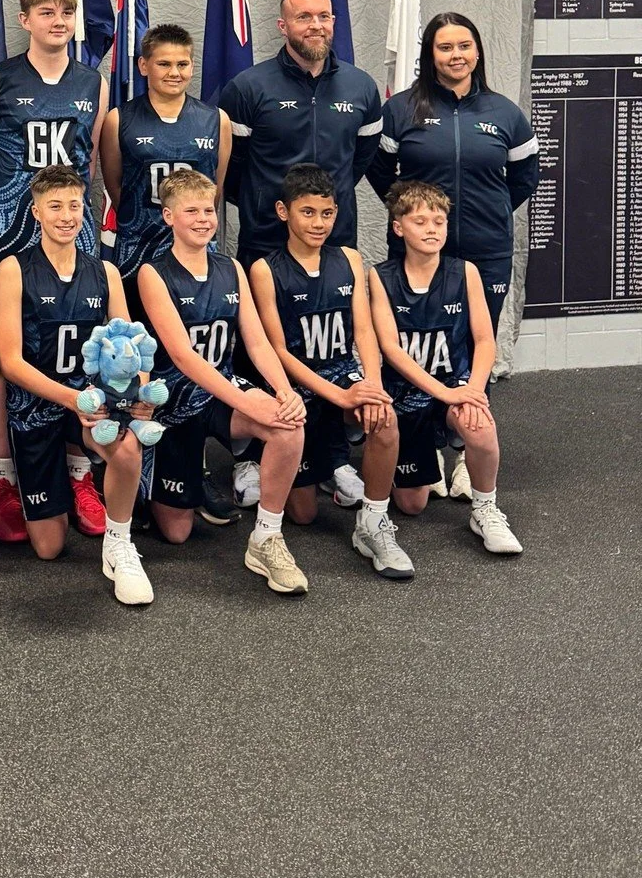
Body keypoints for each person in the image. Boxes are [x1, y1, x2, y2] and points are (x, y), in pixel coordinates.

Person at [368, 11, 539, 498]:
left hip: (485, 251)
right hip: (418, 254)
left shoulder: (504, 113)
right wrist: (416, 216)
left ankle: (464, 448)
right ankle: (422, 444)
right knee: (417, 341)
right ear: (430, 54)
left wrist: (489, 212)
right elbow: (381, 172)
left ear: (477, 51)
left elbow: (524, 178)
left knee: (472, 349)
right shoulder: (402, 110)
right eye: (445, 48)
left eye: (464, 46)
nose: (456, 55)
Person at [0, 0, 109, 544]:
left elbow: (93, 162)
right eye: (46, 12)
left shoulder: (91, 82)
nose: (58, 21)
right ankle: (3, 476)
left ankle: (78, 472)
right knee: (7, 357)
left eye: (66, 13)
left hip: (72, 231)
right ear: (25, 20)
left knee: (78, 345)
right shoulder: (0, 78)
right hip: (10, 235)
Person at [136, 170, 311, 595]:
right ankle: (154, 481)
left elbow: (257, 341)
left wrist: (282, 391)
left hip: (222, 388)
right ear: (168, 217)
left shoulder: (231, 267)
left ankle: (267, 538)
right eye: (190, 211)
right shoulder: (152, 273)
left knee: (288, 427)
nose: (202, 219)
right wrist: (245, 401)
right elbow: (181, 355)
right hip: (175, 396)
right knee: (176, 532)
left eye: (208, 210)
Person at [0, 168, 153, 606]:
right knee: (48, 547)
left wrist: (138, 391)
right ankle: (69, 473)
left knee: (126, 446)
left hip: (92, 401)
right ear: (37, 211)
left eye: (74, 205)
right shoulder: (13, 268)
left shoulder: (104, 271)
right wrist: (72, 398)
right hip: (39, 403)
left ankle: (119, 545)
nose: (67, 215)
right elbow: (10, 361)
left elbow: (132, 345)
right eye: (55, 205)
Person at [248, 165, 413, 579]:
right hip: (298, 383)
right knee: (303, 514)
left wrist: (370, 386)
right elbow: (278, 351)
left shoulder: (351, 259)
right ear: (284, 212)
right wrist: (341, 397)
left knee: (385, 419)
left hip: (343, 373)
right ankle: (324, 473)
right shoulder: (265, 270)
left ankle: (373, 523)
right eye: (307, 212)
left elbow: (364, 332)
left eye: (326, 213)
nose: (318, 223)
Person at [369, 181, 523, 555]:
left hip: (454, 385)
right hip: (407, 396)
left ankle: (485, 508)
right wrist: (446, 393)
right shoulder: (380, 276)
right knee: (412, 505)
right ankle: (418, 458)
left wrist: (472, 390)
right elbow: (390, 349)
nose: (432, 229)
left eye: (439, 221)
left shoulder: (464, 272)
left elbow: (485, 340)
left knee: (480, 426)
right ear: (398, 227)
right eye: (420, 221)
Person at [217, 0, 383, 264]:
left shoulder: (362, 87)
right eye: (303, 17)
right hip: (266, 240)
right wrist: (263, 200)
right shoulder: (248, 88)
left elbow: (360, 159)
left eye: (324, 16)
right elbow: (231, 168)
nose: (315, 25)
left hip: (335, 238)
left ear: (334, 21)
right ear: (283, 26)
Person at [99, 22, 230, 304]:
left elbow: (215, 187)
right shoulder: (119, 119)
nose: (174, 73)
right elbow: (115, 185)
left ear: (192, 66)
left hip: (194, 246)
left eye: (182, 64)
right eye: (164, 64)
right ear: (144, 66)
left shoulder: (216, 120)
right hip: (137, 247)